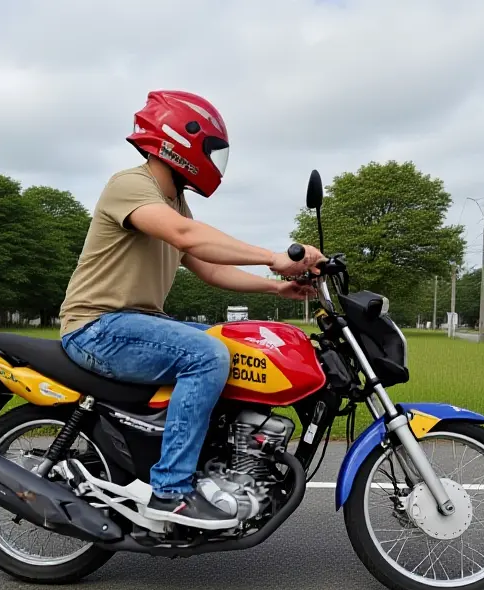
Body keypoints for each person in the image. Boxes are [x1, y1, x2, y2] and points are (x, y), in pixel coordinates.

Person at [58, 90, 325, 529]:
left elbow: (211, 270)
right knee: (206, 356)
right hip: (97, 325)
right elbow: (186, 236)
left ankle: (210, 467)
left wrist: (277, 287)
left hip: (135, 324)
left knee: (231, 345)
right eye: (211, 151)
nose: (214, 162)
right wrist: (273, 256)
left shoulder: (175, 202)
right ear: (178, 139)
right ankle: (170, 493)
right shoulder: (131, 186)